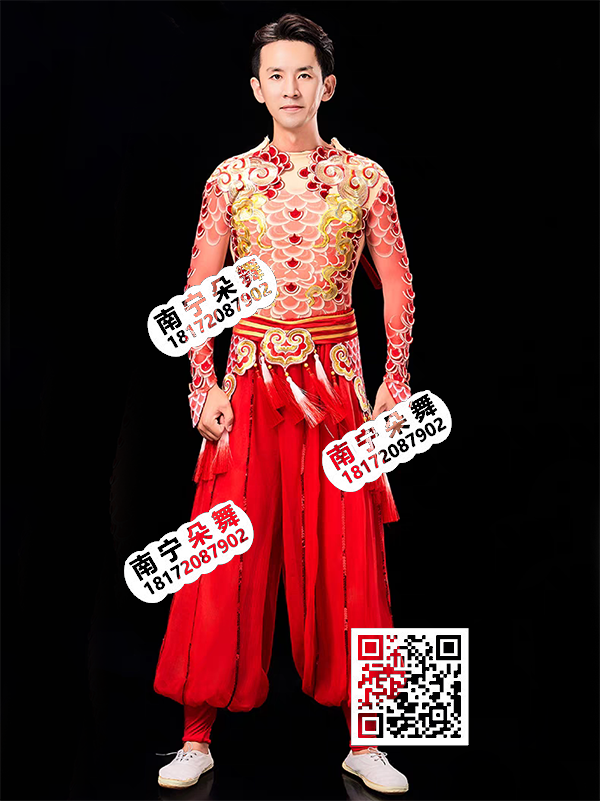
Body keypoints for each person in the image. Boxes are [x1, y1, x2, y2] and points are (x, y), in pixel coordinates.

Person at [154, 13, 415, 794]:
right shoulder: (229, 178)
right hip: (251, 381)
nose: (291, 88)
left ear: (327, 86)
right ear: (256, 87)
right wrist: (202, 382)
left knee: (354, 560)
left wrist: (396, 379)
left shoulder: (366, 177)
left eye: (305, 74)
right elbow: (201, 288)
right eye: (277, 75)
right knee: (221, 555)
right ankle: (195, 734)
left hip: (337, 387)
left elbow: (397, 284)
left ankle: (369, 738)